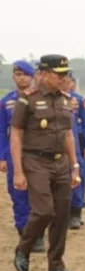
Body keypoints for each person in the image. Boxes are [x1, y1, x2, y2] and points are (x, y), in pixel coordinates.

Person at [10, 54, 82, 271]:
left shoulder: (65, 100)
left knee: (61, 216)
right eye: (58, 74)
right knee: (44, 211)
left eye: (65, 74)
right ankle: (23, 248)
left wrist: (75, 166)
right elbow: (16, 135)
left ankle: (56, 267)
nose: (63, 78)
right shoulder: (27, 99)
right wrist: (18, 171)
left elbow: (68, 134)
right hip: (35, 161)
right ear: (43, 74)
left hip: (60, 162)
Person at [0, 60, 45, 252]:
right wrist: (2, 157)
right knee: (18, 195)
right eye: (18, 75)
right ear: (13, 77)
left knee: (39, 195)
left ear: (32, 77)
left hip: (38, 153)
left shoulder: (42, 98)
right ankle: (25, 235)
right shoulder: (6, 102)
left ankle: (38, 235)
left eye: (25, 74)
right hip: (14, 154)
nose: (22, 78)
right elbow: (2, 131)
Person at [60, 73, 85, 230]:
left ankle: (76, 213)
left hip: (76, 144)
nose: (65, 84)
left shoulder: (79, 101)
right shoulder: (47, 100)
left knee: (79, 176)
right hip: (54, 146)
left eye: (67, 81)